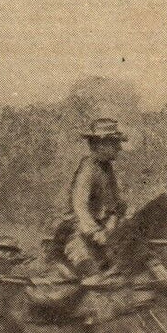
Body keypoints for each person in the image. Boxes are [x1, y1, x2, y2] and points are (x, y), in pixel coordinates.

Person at [62, 118, 129, 277]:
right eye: (114, 143)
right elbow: (79, 206)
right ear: (100, 144)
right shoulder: (88, 168)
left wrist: (113, 220)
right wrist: (95, 232)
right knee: (91, 274)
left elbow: (115, 205)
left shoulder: (107, 169)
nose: (119, 148)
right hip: (80, 237)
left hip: (103, 236)